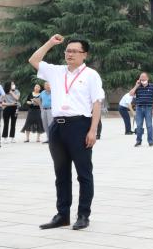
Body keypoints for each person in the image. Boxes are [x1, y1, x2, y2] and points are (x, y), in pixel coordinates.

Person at [30, 35, 104, 230]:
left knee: (83, 174)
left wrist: (93, 130)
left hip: (79, 126)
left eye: (74, 51)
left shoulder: (91, 75)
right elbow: (34, 60)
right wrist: (50, 43)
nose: (70, 54)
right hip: (57, 127)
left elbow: (97, 103)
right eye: (67, 51)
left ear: (84, 54)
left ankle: (83, 215)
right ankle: (62, 215)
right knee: (61, 173)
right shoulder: (56, 72)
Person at [129, 72, 153, 147]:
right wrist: (136, 86)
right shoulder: (138, 86)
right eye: (141, 78)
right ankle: (138, 141)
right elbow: (131, 94)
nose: (142, 79)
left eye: (144, 78)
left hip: (148, 108)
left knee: (149, 125)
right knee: (139, 125)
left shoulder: (152, 86)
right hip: (139, 108)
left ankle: (150, 141)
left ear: (147, 78)